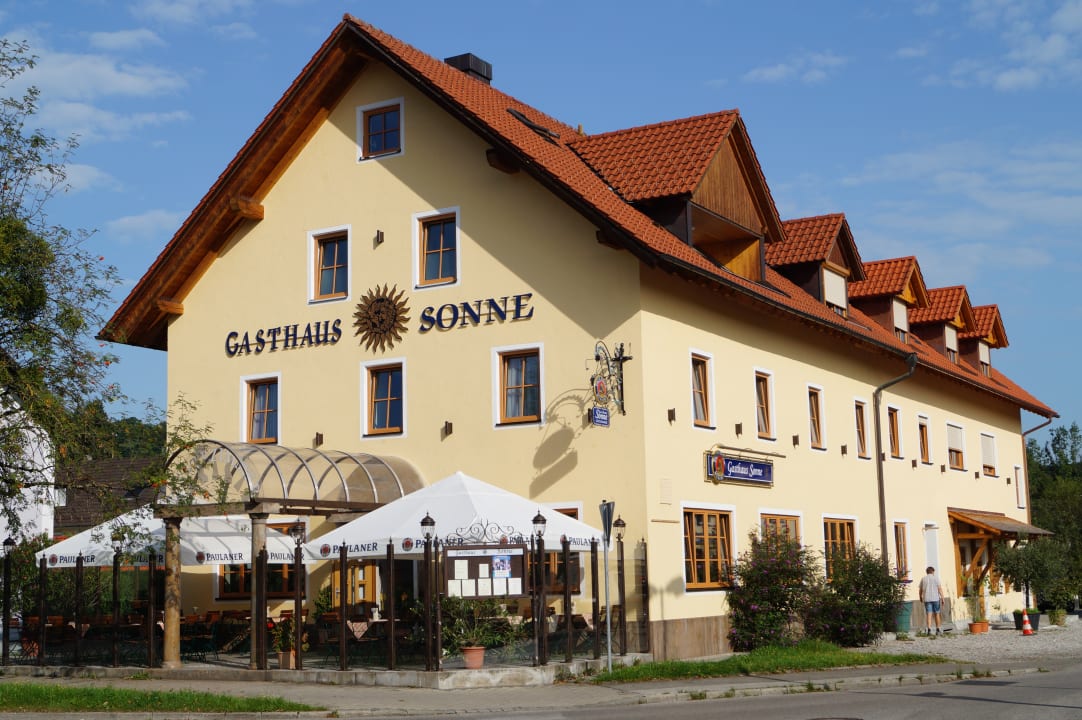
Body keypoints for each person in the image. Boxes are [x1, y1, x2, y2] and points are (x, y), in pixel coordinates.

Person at [919, 566, 946, 635]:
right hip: (935, 598)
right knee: (937, 613)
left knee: (929, 614)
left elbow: (920, 590)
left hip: (927, 599)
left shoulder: (923, 579)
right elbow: (939, 589)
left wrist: (920, 597)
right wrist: (943, 598)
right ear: (933, 571)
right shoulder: (936, 578)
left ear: (927, 572)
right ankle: (938, 629)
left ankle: (929, 629)